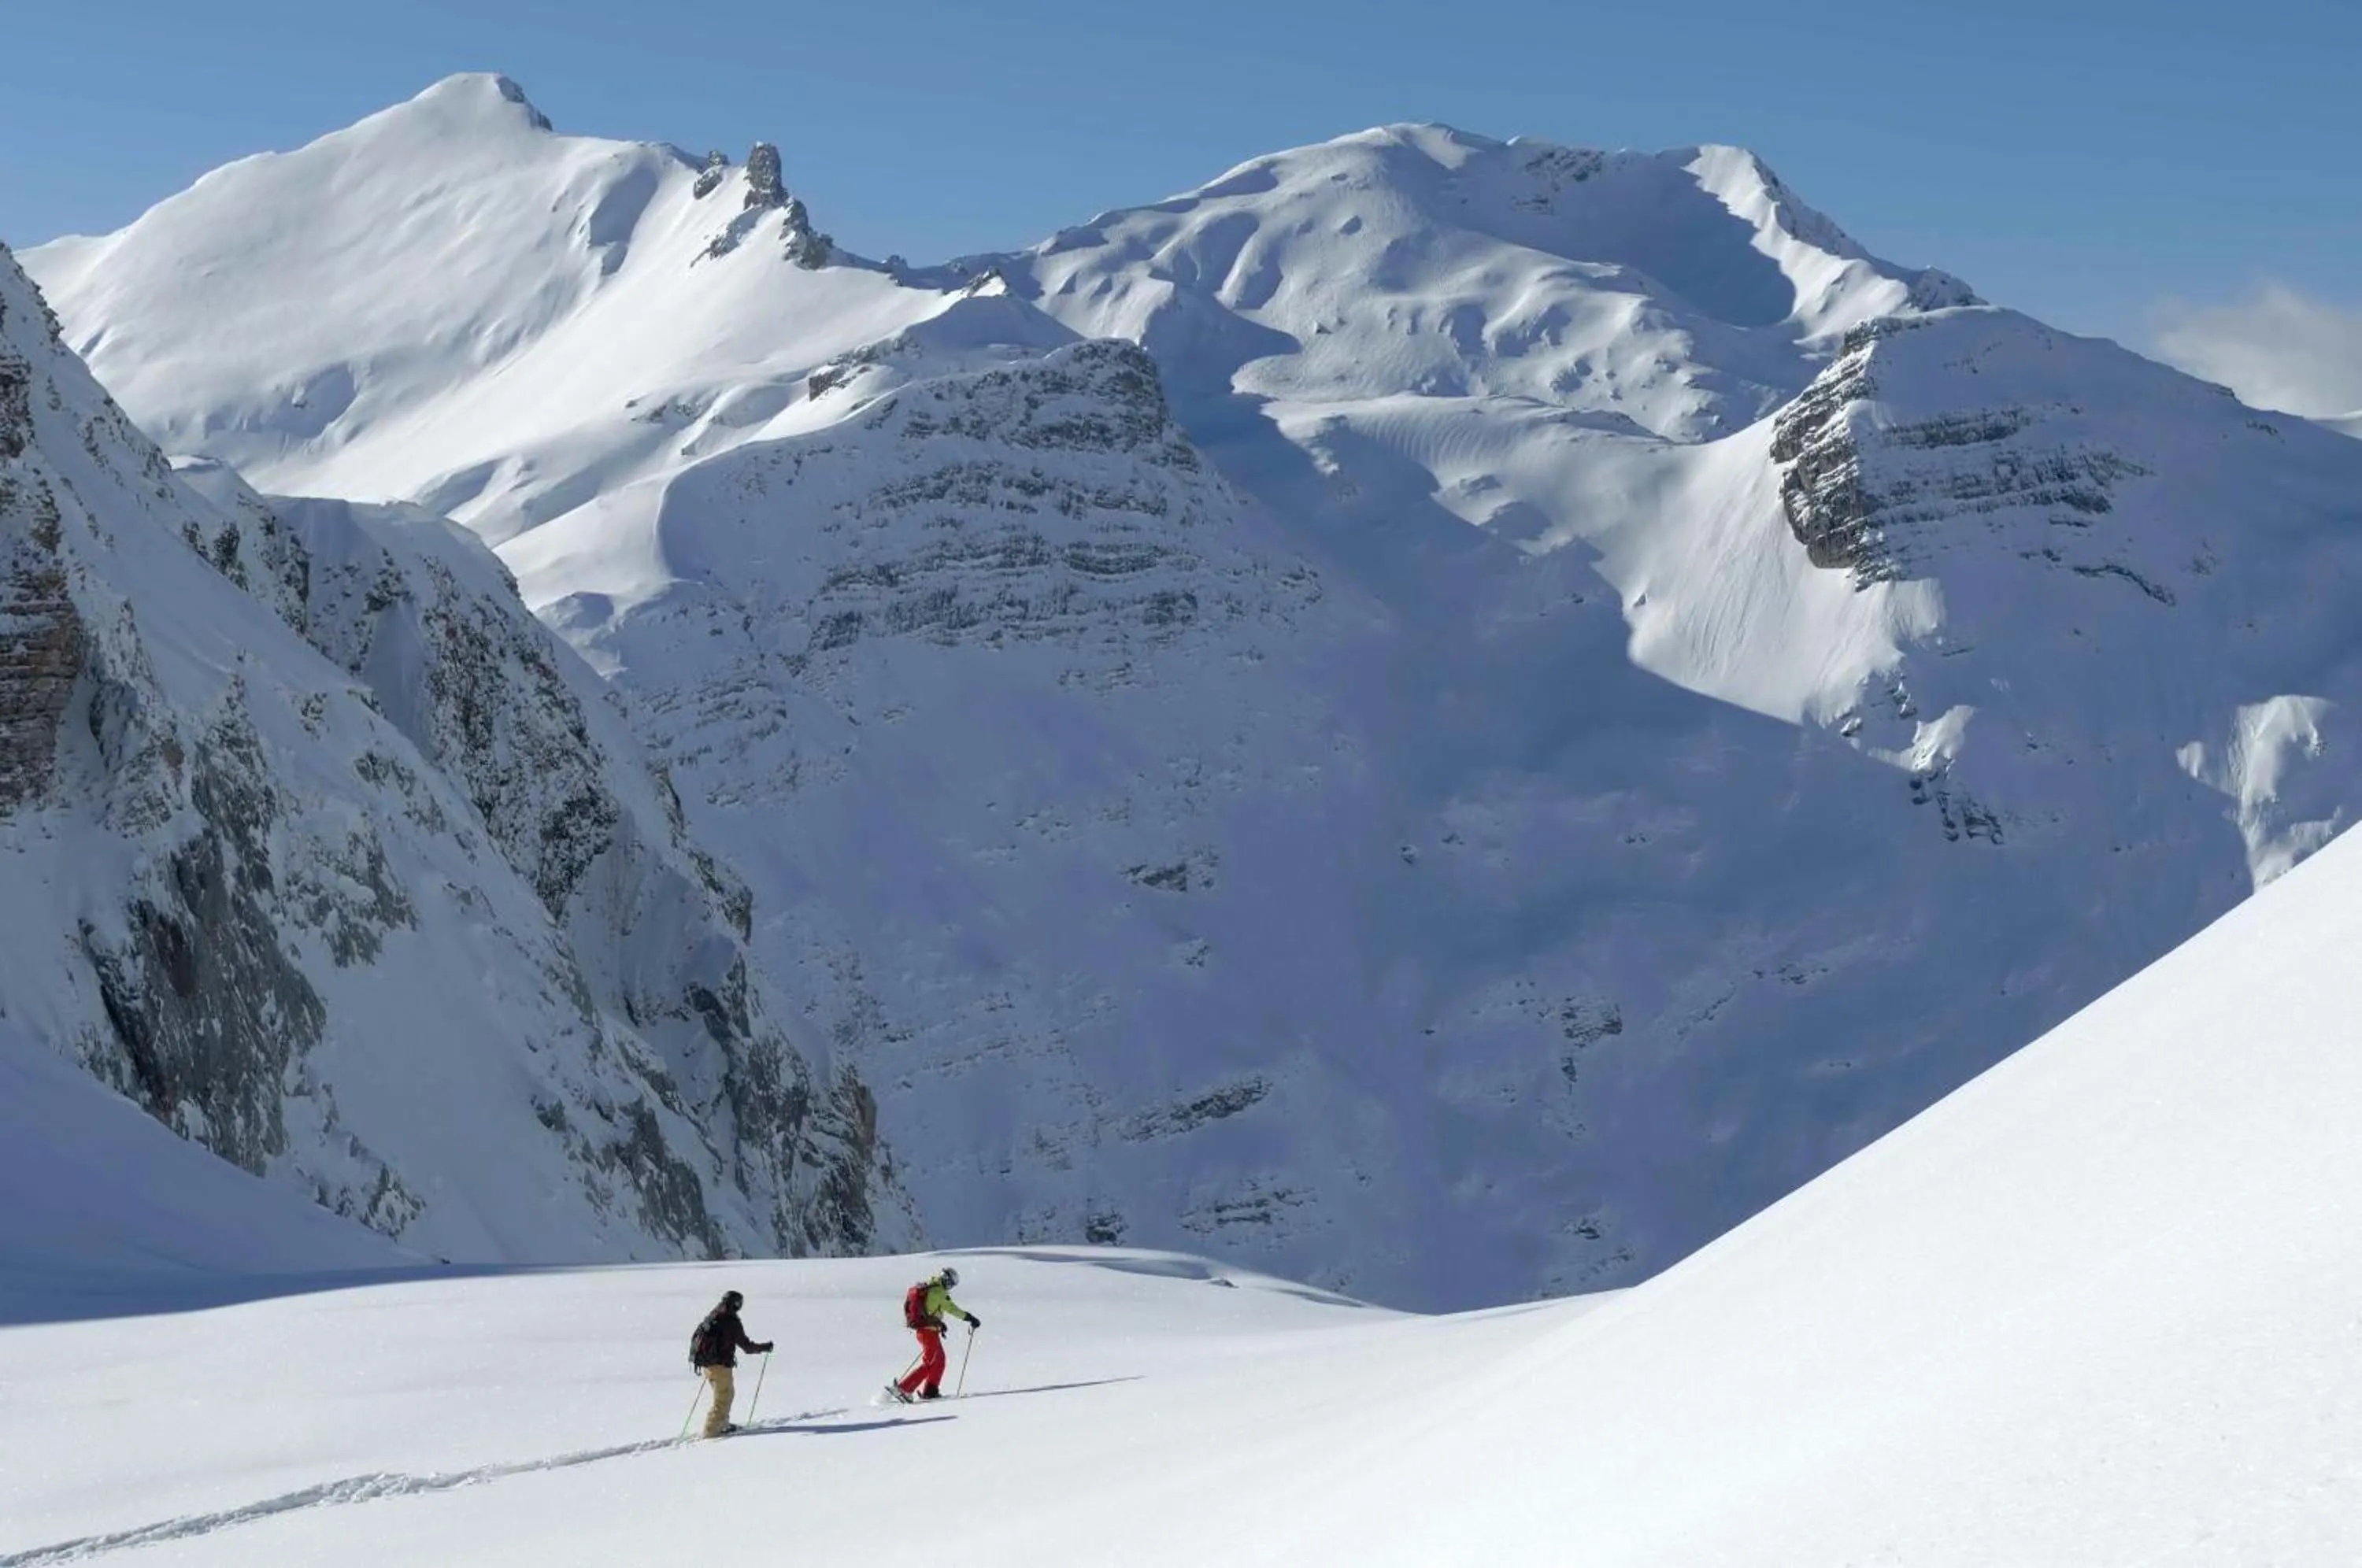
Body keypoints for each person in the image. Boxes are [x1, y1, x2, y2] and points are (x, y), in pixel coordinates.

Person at [886, 1266, 981, 1403]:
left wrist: (939, 1323)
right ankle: (905, 1388)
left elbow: (929, 1310)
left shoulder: (930, 1287)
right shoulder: (939, 1293)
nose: (950, 1287)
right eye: (951, 1284)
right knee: (930, 1363)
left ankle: (931, 1391)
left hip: (929, 1330)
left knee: (939, 1361)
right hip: (927, 1332)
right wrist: (970, 1318)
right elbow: (953, 1309)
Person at [690, 1289, 775, 1437]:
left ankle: (722, 1424)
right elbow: (747, 1347)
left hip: (708, 1364)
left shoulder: (714, 1315)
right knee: (723, 1398)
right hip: (720, 1366)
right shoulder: (731, 1322)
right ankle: (711, 1432)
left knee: (725, 1394)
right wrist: (764, 1347)